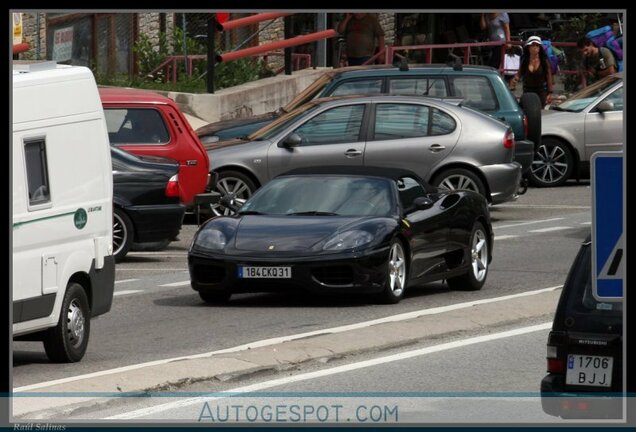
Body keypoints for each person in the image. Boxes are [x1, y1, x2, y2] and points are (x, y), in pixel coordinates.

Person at [510, 36, 553, 107]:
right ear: (528, 47)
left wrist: (550, 93)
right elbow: (519, 74)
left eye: (537, 45)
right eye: (533, 45)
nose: (535, 47)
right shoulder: (525, 60)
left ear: (540, 48)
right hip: (527, 91)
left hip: (541, 91)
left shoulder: (544, 61)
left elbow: (549, 76)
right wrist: (514, 80)